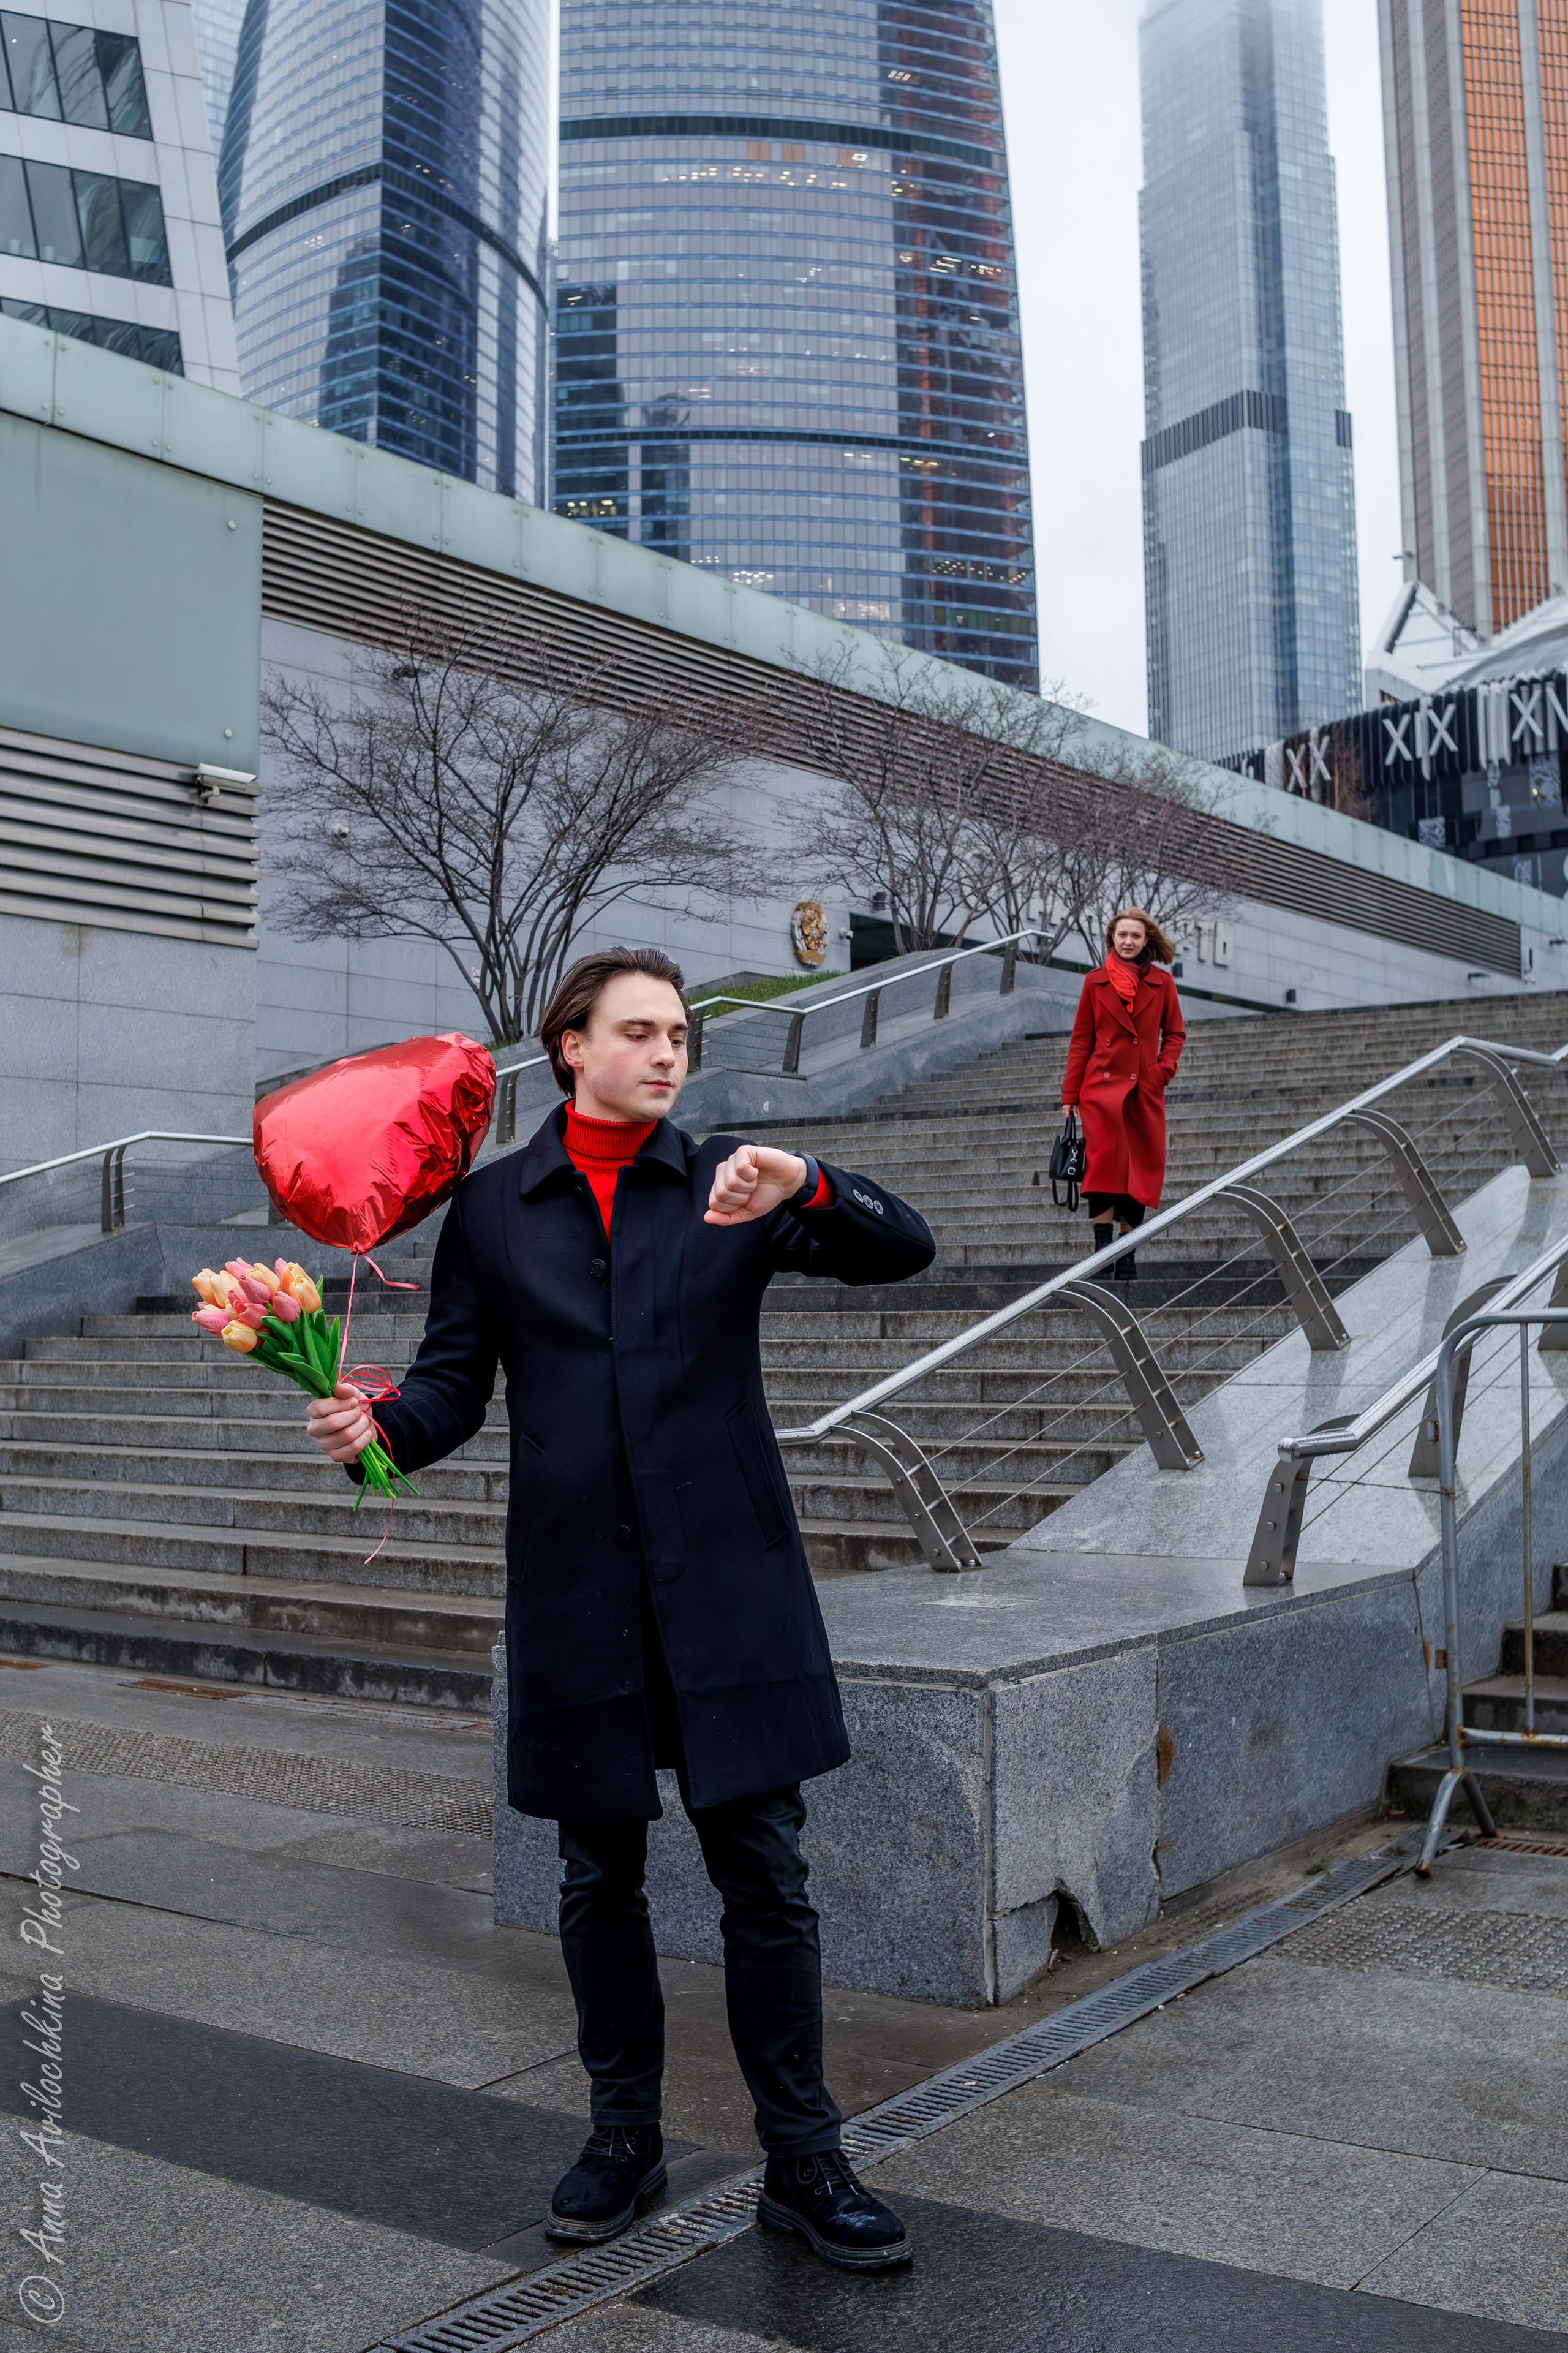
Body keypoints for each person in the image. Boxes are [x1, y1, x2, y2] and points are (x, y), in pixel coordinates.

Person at [305, 946, 933, 2272]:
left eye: (680, 1037)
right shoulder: (490, 1212)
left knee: (763, 1872)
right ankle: (621, 2137)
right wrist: (374, 1432)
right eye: (639, 1032)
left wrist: (807, 1180)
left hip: (729, 1585)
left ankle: (804, 2159)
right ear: (568, 1048)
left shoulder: (732, 1182)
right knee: (597, 1876)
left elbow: (902, 1248)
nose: (665, 1055)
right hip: (580, 1584)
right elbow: (451, 1388)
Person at [1060, 908, 1185, 1279]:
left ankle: (1127, 1253)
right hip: (1101, 1090)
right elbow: (1082, 1039)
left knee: (1140, 1167)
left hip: (1144, 1090)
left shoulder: (1163, 983)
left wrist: (1162, 1071)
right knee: (1103, 1167)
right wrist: (1070, 1094)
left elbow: (1175, 1033)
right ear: (1111, 938)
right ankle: (1103, 1251)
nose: (1128, 941)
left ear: (1147, 941)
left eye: (1135, 936)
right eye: (1122, 935)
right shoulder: (1095, 982)